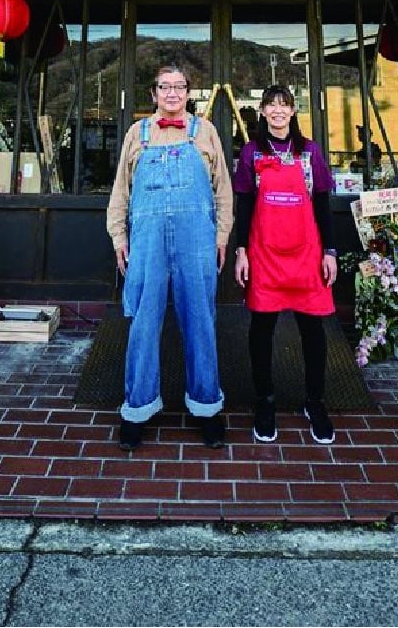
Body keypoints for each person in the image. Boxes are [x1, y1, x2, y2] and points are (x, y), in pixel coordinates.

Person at [106, 65, 233, 452]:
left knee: (200, 320)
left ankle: (207, 406)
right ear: (154, 93)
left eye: (179, 87)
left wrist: (221, 236)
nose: (173, 93)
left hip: (197, 240)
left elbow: (223, 190)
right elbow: (121, 190)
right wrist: (119, 236)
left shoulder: (205, 131)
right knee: (144, 322)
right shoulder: (137, 133)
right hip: (147, 242)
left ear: (188, 93)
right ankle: (137, 408)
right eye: (165, 87)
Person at [232, 84, 338, 445]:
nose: (278, 111)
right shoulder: (251, 152)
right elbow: (244, 205)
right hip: (264, 254)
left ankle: (315, 401)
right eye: (271, 105)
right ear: (262, 111)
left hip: (307, 254)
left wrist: (330, 251)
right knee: (262, 329)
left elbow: (322, 202)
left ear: (293, 111)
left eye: (284, 105)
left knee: (313, 330)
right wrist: (241, 251)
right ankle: (265, 401)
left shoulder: (309, 151)